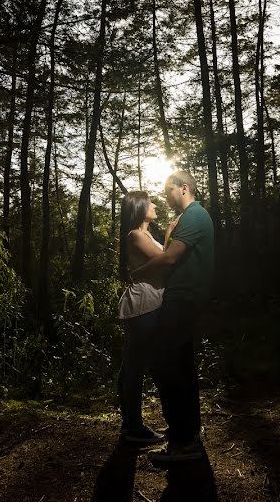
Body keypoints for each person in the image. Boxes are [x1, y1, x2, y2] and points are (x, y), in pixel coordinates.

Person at [131, 171, 214, 463]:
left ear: (184, 188)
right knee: (180, 366)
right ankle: (186, 437)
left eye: (169, 190)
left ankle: (183, 438)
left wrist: (135, 273)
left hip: (182, 299)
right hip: (183, 298)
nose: (165, 197)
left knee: (164, 364)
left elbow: (168, 258)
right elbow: (170, 251)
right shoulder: (189, 218)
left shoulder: (193, 216)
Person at [116, 191, 171, 445]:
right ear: (140, 208)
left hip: (149, 303)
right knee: (135, 367)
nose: (155, 205)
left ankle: (130, 425)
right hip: (143, 305)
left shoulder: (144, 234)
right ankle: (133, 428)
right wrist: (170, 234)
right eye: (150, 203)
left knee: (133, 365)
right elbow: (165, 260)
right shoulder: (136, 235)